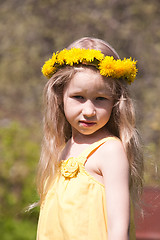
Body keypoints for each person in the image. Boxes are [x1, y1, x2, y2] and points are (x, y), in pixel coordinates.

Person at [36, 37, 143, 240]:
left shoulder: (109, 151)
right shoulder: (62, 148)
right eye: (79, 97)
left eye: (100, 99)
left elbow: (119, 229)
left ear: (115, 102)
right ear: (60, 96)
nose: (89, 111)